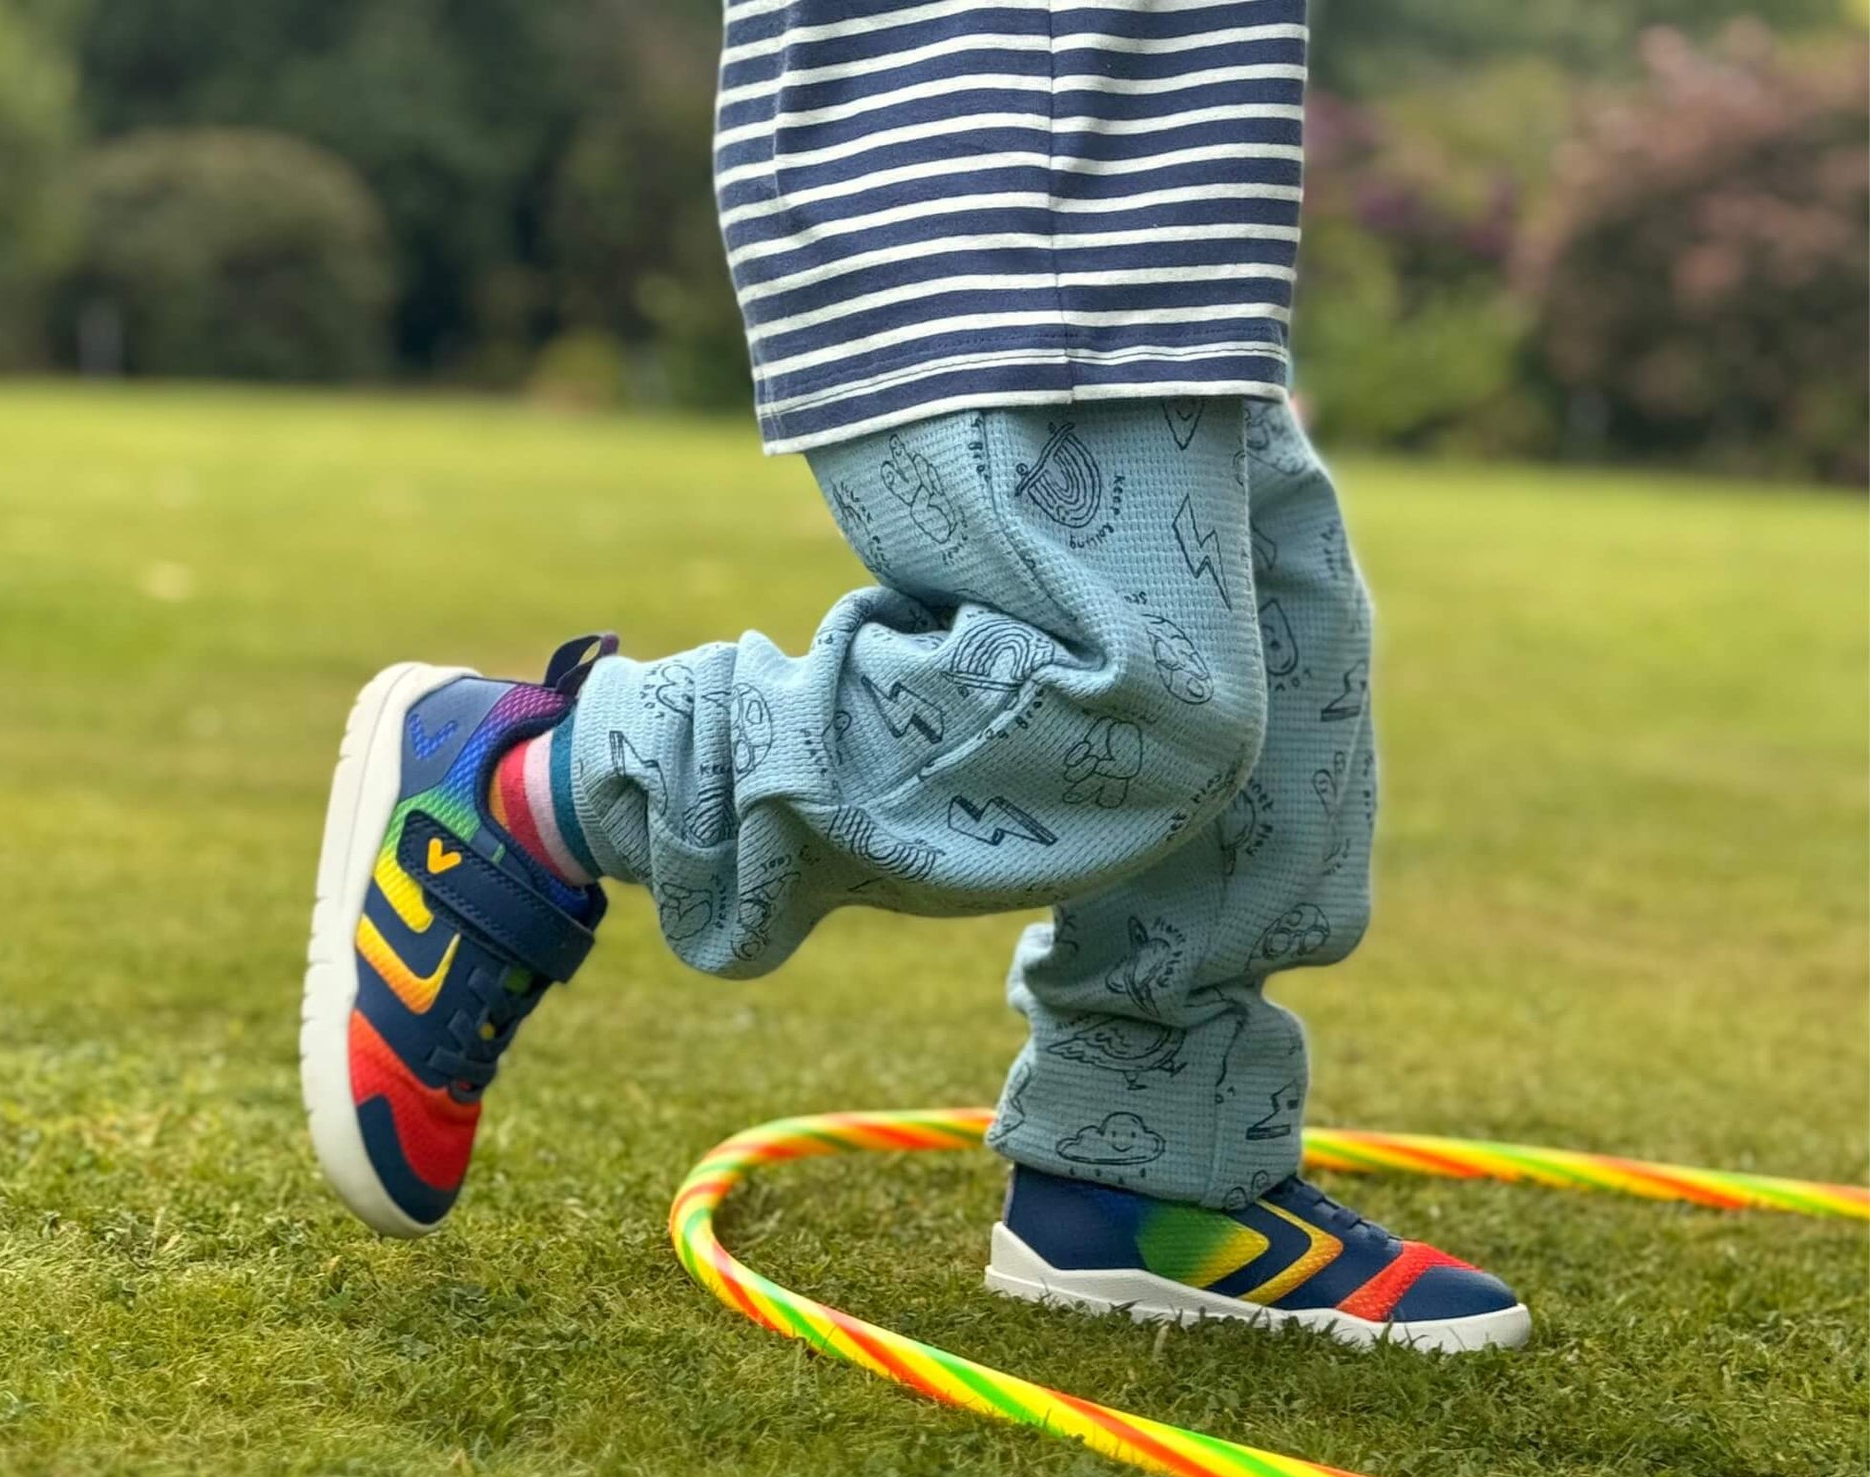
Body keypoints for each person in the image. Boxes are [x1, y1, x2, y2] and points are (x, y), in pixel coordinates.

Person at [299, 0, 1530, 1354]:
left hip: (1159, 178)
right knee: (1137, 686)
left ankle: (1143, 1170)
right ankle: (549, 789)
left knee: (1286, 661)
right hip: (1018, 140)